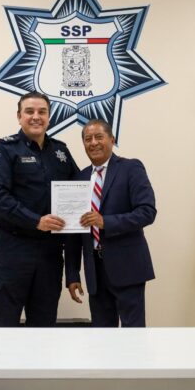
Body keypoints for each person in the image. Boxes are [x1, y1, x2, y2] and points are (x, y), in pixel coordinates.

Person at [0, 92, 79, 327]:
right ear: (19, 116)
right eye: (29, 111)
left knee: (44, 327)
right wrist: (36, 221)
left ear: (49, 117)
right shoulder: (5, 150)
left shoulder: (61, 152)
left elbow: (79, 193)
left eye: (42, 112)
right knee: (5, 325)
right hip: (13, 251)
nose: (36, 116)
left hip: (50, 254)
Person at [65, 119, 156, 327]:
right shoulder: (79, 179)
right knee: (102, 337)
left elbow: (147, 212)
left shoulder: (131, 168)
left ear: (112, 140)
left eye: (99, 137)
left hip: (128, 268)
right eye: (88, 139)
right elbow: (73, 234)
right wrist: (72, 274)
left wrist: (105, 222)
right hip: (94, 272)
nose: (93, 143)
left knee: (133, 335)